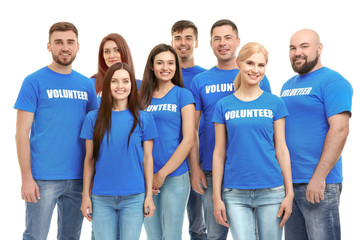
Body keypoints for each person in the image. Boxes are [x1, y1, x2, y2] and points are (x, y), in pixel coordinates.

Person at [14, 22, 98, 240]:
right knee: (35, 236)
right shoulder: (33, 82)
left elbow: (94, 131)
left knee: (71, 237)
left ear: (78, 46)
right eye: (58, 42)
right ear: (49, 46)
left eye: (70, 42)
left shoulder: (86, 85)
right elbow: (21, 133)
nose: (65, 47)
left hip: (79, 177)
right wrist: (26, 178)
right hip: (42, 178)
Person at [189, 19, 271, 240]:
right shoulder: (200, 81)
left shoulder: (257, 75)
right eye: (217, 39)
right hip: (210, 170)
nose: (222, 43)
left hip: (248, 171)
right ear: (210, 43)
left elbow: (270, 129)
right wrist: (195, 168)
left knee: (251, 234)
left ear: (237, 42)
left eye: (227, 38)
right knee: (215, 234)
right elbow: (193, 130)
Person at [212, 42, 294, 240]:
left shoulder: (275, 103)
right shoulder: (224, 105)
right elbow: (219, 152)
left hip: (272, 190)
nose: (255, 70)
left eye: (261, 65)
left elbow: (281, 148)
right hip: (234, 192)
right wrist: (216, 197)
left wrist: (289, 193)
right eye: (250, 63)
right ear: (239, 64)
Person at [281, 29, 352, 240]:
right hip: (289, 184)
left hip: (318, 184)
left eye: (304, 46)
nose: (297, 53)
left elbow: (340, 129)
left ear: (319, 49)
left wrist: (319, 177)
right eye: (293, 48)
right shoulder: (287, 86)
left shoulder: (333, 81)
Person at [80, 62, 157, 240]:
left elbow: (147, 159)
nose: (120, 86)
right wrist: (86, 196)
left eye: (125, 81)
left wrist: (148, 196)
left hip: (134, 197)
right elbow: (89, 159)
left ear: (132, 85)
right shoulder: (93, 118)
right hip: (101, 197)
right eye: (114, 81)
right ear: (107, 85)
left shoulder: (144, 118)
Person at [140, 44, 195, 240]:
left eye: (171, 63)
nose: (166, 67)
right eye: (160, 62)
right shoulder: (141, 98)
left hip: (175, 177)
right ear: (152, 67)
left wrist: (162, 174)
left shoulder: (183, 95)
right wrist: (149, 176)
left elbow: (188, 140)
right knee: (153, 236)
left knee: (172, 236)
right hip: (145, 178)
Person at [171, 20, 207, 240]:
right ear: (171, 41)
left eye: (187, 38)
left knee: (199, 225)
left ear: (196, 42)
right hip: (168, 163)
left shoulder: (204, 77)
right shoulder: (161, 76)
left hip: (199, 161)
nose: (182, 43)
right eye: (177, 38)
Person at [91, 33, 141, 106]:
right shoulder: (93, 82)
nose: (112, 56)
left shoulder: (140, 86)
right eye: (107, 51)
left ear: (124, 52)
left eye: (117, 50)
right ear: (102, 56)